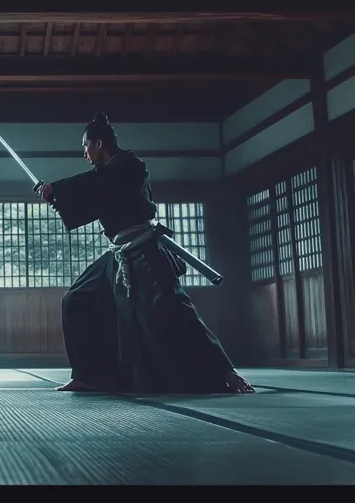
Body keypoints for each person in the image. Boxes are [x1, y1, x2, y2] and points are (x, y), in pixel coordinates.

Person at [36, 113, 254, 395]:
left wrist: (60, 190)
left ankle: (225, 372)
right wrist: (57, 197)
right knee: (77, 299)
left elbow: (99, 185)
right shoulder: (106, 176)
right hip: (119, 254)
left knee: (174, 309)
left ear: (99, 143)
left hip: (145, 252)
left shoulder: (131, 166)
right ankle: (88, 375)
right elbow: (95, 193)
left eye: (85, 145)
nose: (84, 152)